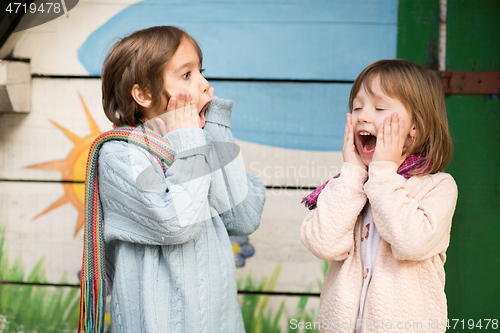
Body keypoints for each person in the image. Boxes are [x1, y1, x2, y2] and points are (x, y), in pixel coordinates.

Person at [79, 26, 266, 333]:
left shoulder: (196, 144)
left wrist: (214, 124)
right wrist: (192, 142)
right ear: (143, 94)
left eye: (201, 72)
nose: (205, 84)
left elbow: (243, 218)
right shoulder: (120, 155)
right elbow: (176, 224)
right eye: (187, 75)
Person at [301, 59, 457, 333]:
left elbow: (411, 243)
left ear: (415, 128)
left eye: (379, 107)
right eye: (357, 107)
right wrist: (351, 172)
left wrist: (383, 173)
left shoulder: (438, 186)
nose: (362, 115)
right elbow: (324, 244)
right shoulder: (349, 186)